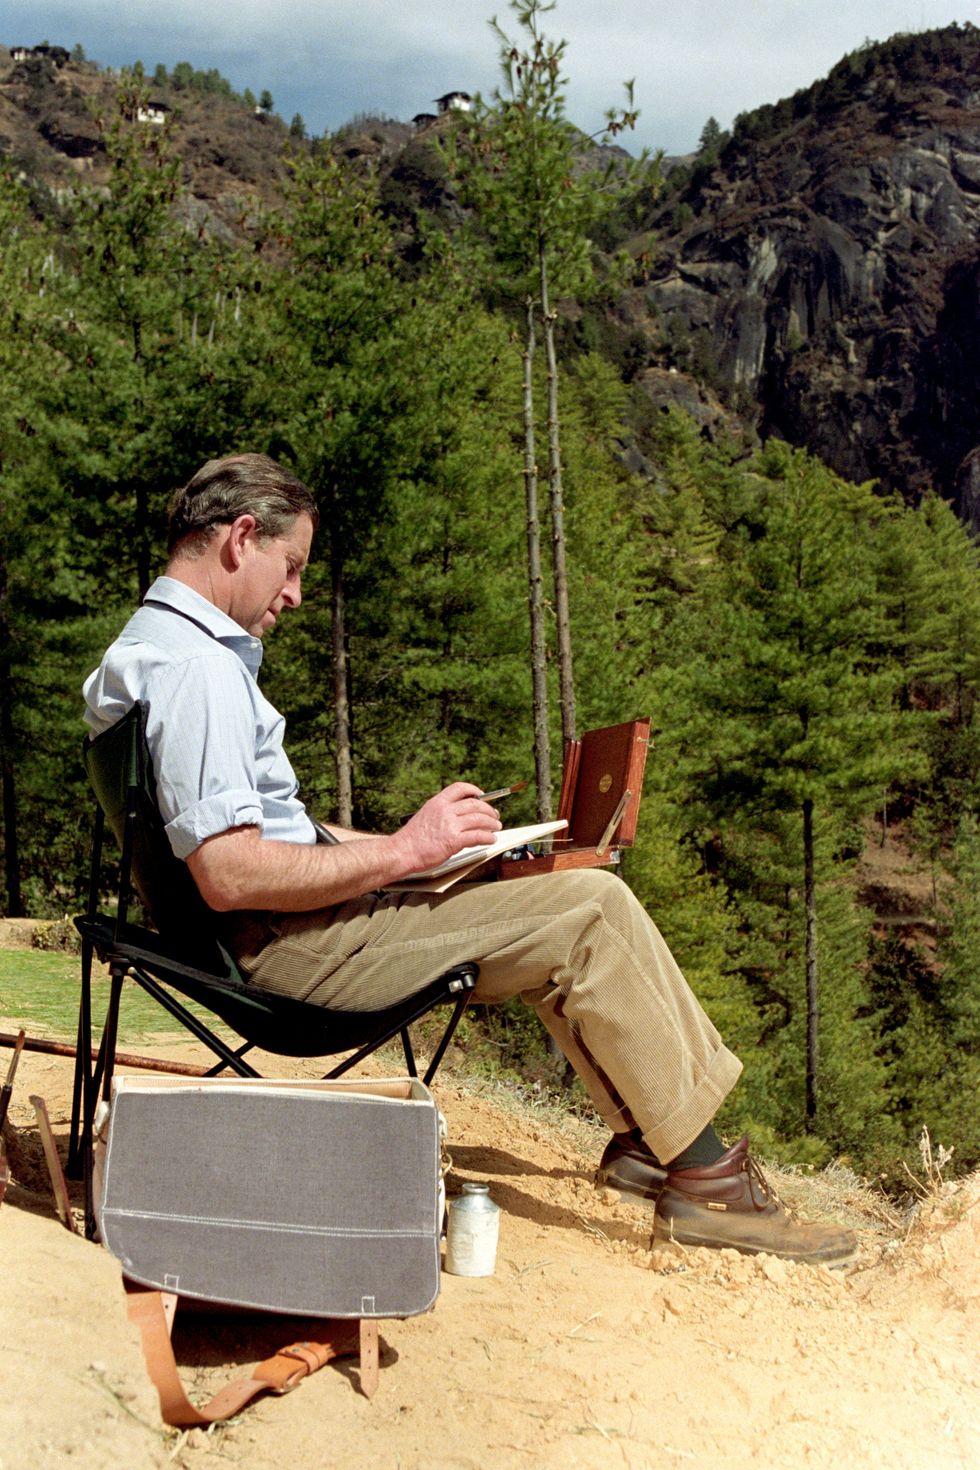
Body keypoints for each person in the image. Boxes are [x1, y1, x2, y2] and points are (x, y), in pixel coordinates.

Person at [83, 453, 856, 1267]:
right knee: (591, 908)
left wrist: (424, 856)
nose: (296, 594)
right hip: (290, 956)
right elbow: (231, 872)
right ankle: (709, 1187)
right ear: (242, 538)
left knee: (541, 897)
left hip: (270, 940)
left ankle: (646, 1140)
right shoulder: (199, 669)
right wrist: (406, 850)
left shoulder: (146, 651)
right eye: (293, 565)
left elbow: (269, 837)